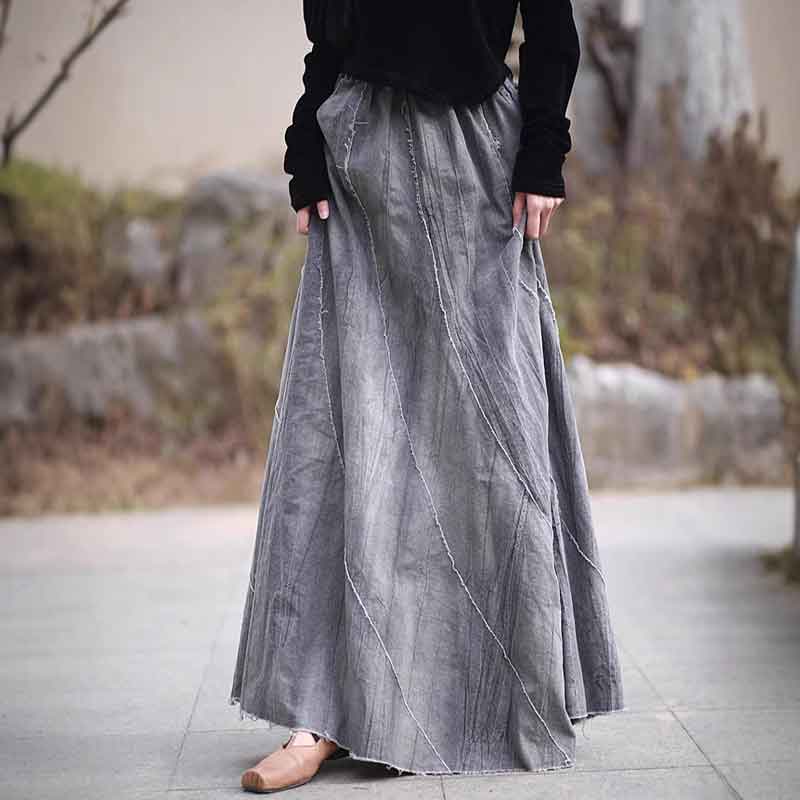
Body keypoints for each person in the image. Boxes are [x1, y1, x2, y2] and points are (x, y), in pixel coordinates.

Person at [230, 0, 625, 793]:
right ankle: (323, 713)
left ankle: (486, 698)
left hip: (476, 159)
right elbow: (330, 39)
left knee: (490, 439)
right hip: (359, 154)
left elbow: (552, 30)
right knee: (347, 431)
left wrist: (542, 150)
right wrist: (306, 147)